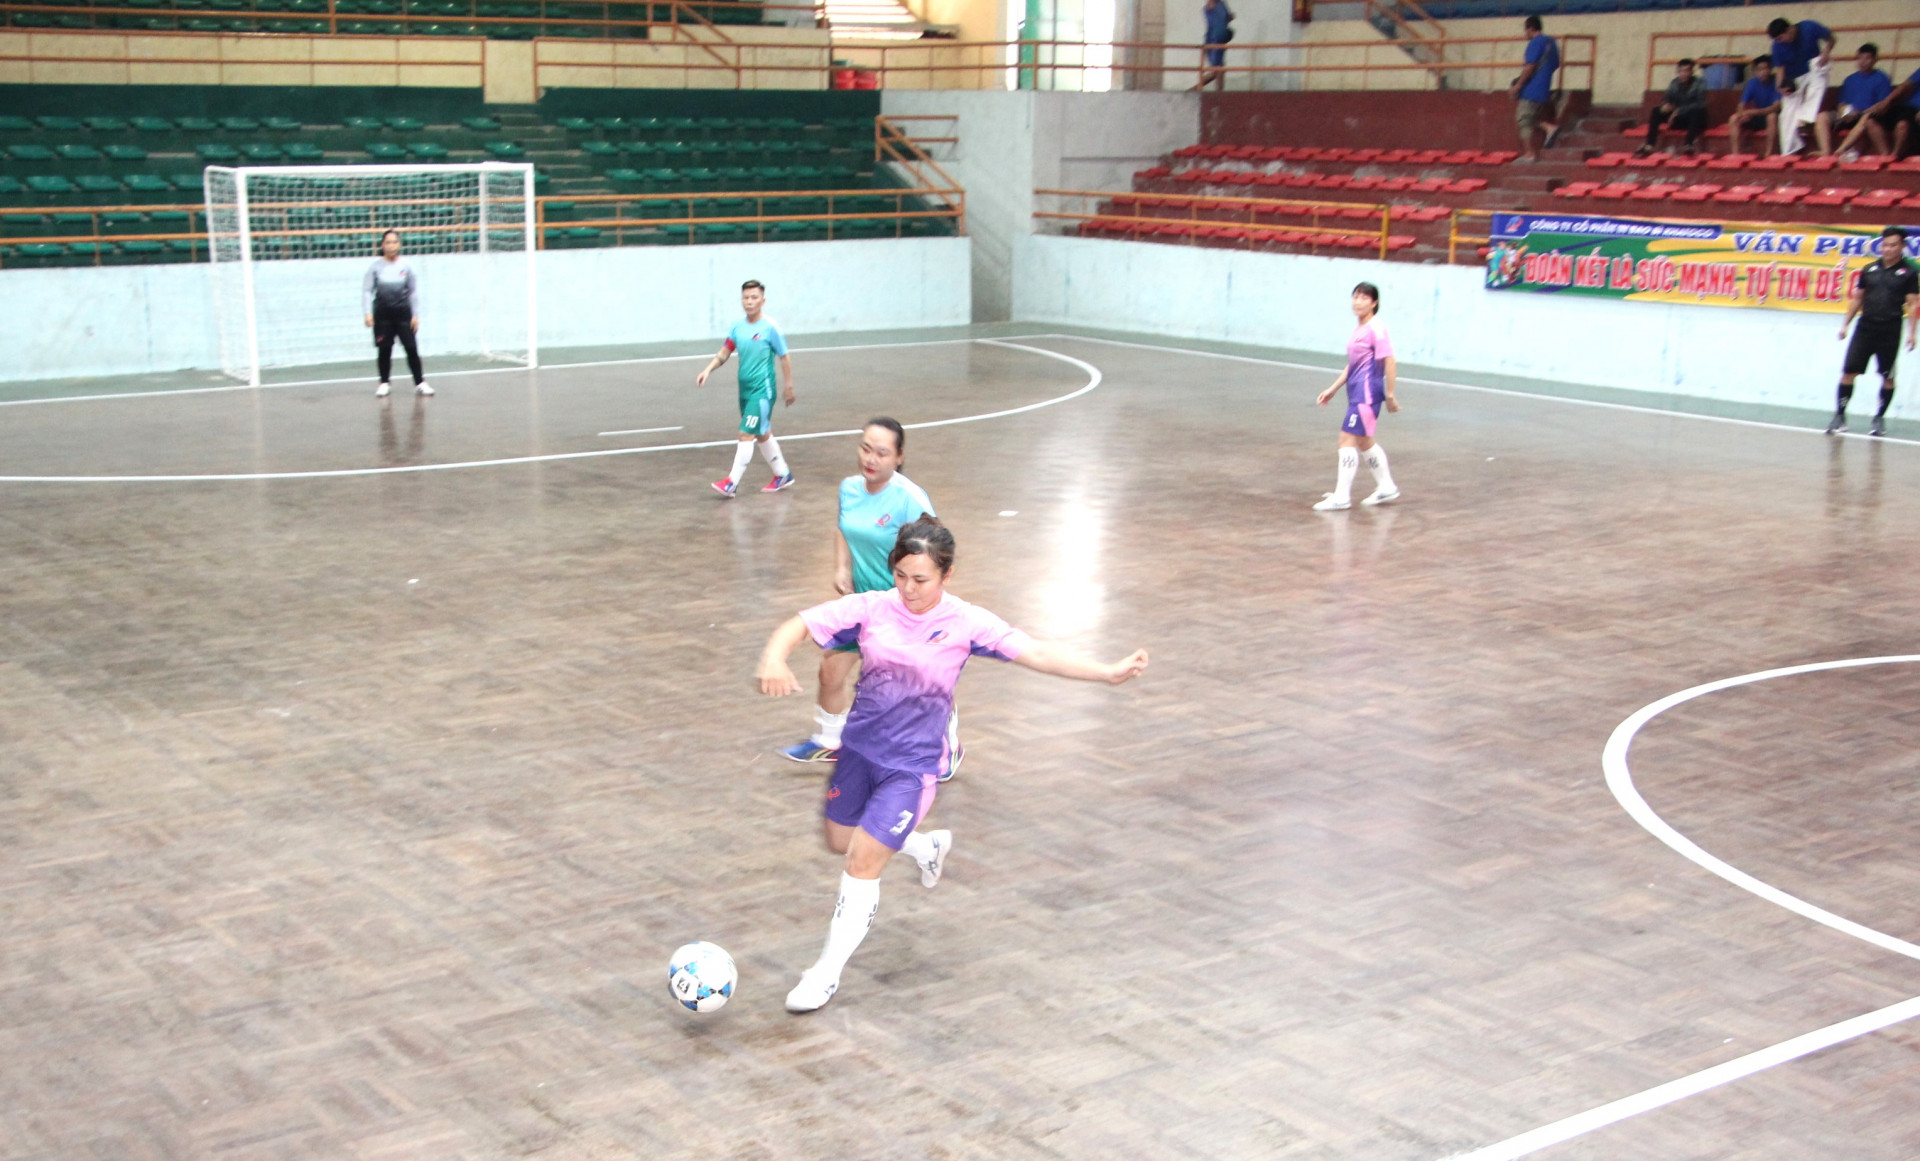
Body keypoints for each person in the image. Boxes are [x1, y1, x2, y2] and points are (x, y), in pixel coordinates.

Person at [756, 517, 1149, 1012]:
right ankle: (924, 845)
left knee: (861, 863)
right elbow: (798, 625)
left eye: (921, 579)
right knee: (840, 841)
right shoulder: (873, 608)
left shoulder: (967, 623)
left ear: (947, 575)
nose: (909, 589)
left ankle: (824, 974)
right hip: (859, 753)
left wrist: (1106, 673)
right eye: (901, 575)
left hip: (912, 767)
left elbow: (1038, 653)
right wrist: (774, 657)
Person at [779, 418, 957, 782]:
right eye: (865, 448)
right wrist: (841, 566)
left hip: (904, 606)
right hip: (863, 603)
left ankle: (947, 745)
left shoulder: (910, 499)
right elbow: (844, 528)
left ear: (899, 457)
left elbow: (938, 552)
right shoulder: (849, 488)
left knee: (918, 685)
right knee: (830, 670)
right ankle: (830, 740)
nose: (870, 459)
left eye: (882, 452)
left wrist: (924, 598)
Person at [696, 279, 796, 497]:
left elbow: (784, 357)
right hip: (745, 391)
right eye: (746, 298)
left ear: (763, 300)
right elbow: (725, 352)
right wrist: (708, 370)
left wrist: (788, 387)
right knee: (762, 432)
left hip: (762, 392)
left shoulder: (771, 328)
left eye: (754, 298)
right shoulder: (737, 327)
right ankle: (783, 474)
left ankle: (731, 483)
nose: (749, 302)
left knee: (745, 433)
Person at [1313, 282, 1400, 511]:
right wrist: (1333, 388)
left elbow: (1389, 361)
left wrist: (1389, 394)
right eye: (1355, 297)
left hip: (1367, 394)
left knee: (1346, 439)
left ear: (1374, 303)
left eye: (1363, 298)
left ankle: (1342, 496)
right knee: (1364, 441)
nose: (1358, 301)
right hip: (1356, 393)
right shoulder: (1359, 330)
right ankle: (1386, 486)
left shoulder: (1377, 329)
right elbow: (1353, 365)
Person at [1827, 226, 1919, 438]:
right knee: (1849, 371)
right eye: (1885, 245)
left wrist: (1912, 334)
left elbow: (1913, 304)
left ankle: (1879, 418)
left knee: (1887, 376)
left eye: (1893, 245)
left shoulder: (1909, 273)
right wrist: (1846, 325)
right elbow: (1858, 298)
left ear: (1902, 246)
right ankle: (1840, 415)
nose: (1888, 249)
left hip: (1890, 328)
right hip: (1865, 327)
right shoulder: (1869, 270)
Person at [362, 229, 432, 399]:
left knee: (411, 349)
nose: (391, 245)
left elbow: (413, 292)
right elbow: (367, 291)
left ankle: (420, 383)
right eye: (388, 242)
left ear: (399, 244)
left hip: (403, 314)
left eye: (394, 242)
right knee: (384, 350)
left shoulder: (406, 267)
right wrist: (367, 313)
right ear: (382, 245)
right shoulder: (375, 267)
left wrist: (415, 315)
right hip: (382, 315)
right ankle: (384, 383)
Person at [1769, 15, 1834, 157]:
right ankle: (1789, 150)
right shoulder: (1777, 46)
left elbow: (1831, 38)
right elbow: (1780, 69)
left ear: (1789, 29)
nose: (1780, 41)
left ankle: (1803, 119)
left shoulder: (1809, 27)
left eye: (1781, 37)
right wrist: (1780, 87)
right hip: (1794, 77)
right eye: (1777, 40)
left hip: (1814, 68)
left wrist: (1826, 52)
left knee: (1819, 72)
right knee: (1787, 112)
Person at [1824, 44, 1892, 158]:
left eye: (1867, 58)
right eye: (1860, 58)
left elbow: (1882, 105)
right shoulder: (1850, 79)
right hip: (1849, 116)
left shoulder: (1882, 78)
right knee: (1823, 117)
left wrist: (1860, 113)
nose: (1863, 61)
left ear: (1875, 60)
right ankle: (1825, 151)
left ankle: (1840, 150)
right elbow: (1841, 103)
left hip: (1868, 116)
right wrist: (1844, 113)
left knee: (1867, 119)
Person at [1509, 15, 1560, 163]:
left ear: (1531, 29)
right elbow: (1555, 64)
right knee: (1532, 118)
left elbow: (1529, 67)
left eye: (1526, 31)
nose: (1525, 34)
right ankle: (1549, 128)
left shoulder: (1535, 43)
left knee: (1523, 119)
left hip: (1532, 89)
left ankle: (1529, 153)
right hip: (1545, 87)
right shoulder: (1551, 42)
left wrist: (1518, 85)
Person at [1635, 58, 1709, 157]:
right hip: (1677, 119)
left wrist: (1679, 110)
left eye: (1687, 71)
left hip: (1694, 120)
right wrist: (1666, 106)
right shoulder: (1674, 83)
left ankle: (1688, 144)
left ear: (1692, 71)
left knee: (1696, 112)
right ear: (1678, 72)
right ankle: (1649, 144)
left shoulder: (1699, 83)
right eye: (1681, 71)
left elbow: (1700, 103)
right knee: (1656, 111)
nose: (1684, 74)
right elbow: (1667, 98)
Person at [1845, 65, 1920, 161]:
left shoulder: (1880, 77)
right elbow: (1905, 86)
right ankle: (1885, 154)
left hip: (1915, 112)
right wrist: (1886, 102)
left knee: (1902, 125)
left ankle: (1895, 156)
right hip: (1907, 107)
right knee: (1871, 120)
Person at [1728, 56, 1781, 158]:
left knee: (1772, 116)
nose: (1764, 72)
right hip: (1757, 117)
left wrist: (1752, 112)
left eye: (1766, 68)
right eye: (1760, 69)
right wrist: (1741, 114)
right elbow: (1741, 105)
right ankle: (1736, 154)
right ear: (1755, 71)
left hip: (1773, 116)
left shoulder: (1776, 81)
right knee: (1734, 118)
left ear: (1770, 69)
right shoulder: (1752, 83)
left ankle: (1769, 154)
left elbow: (1775, 107)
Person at [1193, 0, 1233, 92]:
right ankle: (1218, 87)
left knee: (1216, 66)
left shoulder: (1219, 5)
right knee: (1217, 66)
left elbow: (1226, 17)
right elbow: (1227, 17)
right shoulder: (1216, 5)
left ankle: (1218, 88)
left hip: (1216, 37)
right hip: (1215, 37)